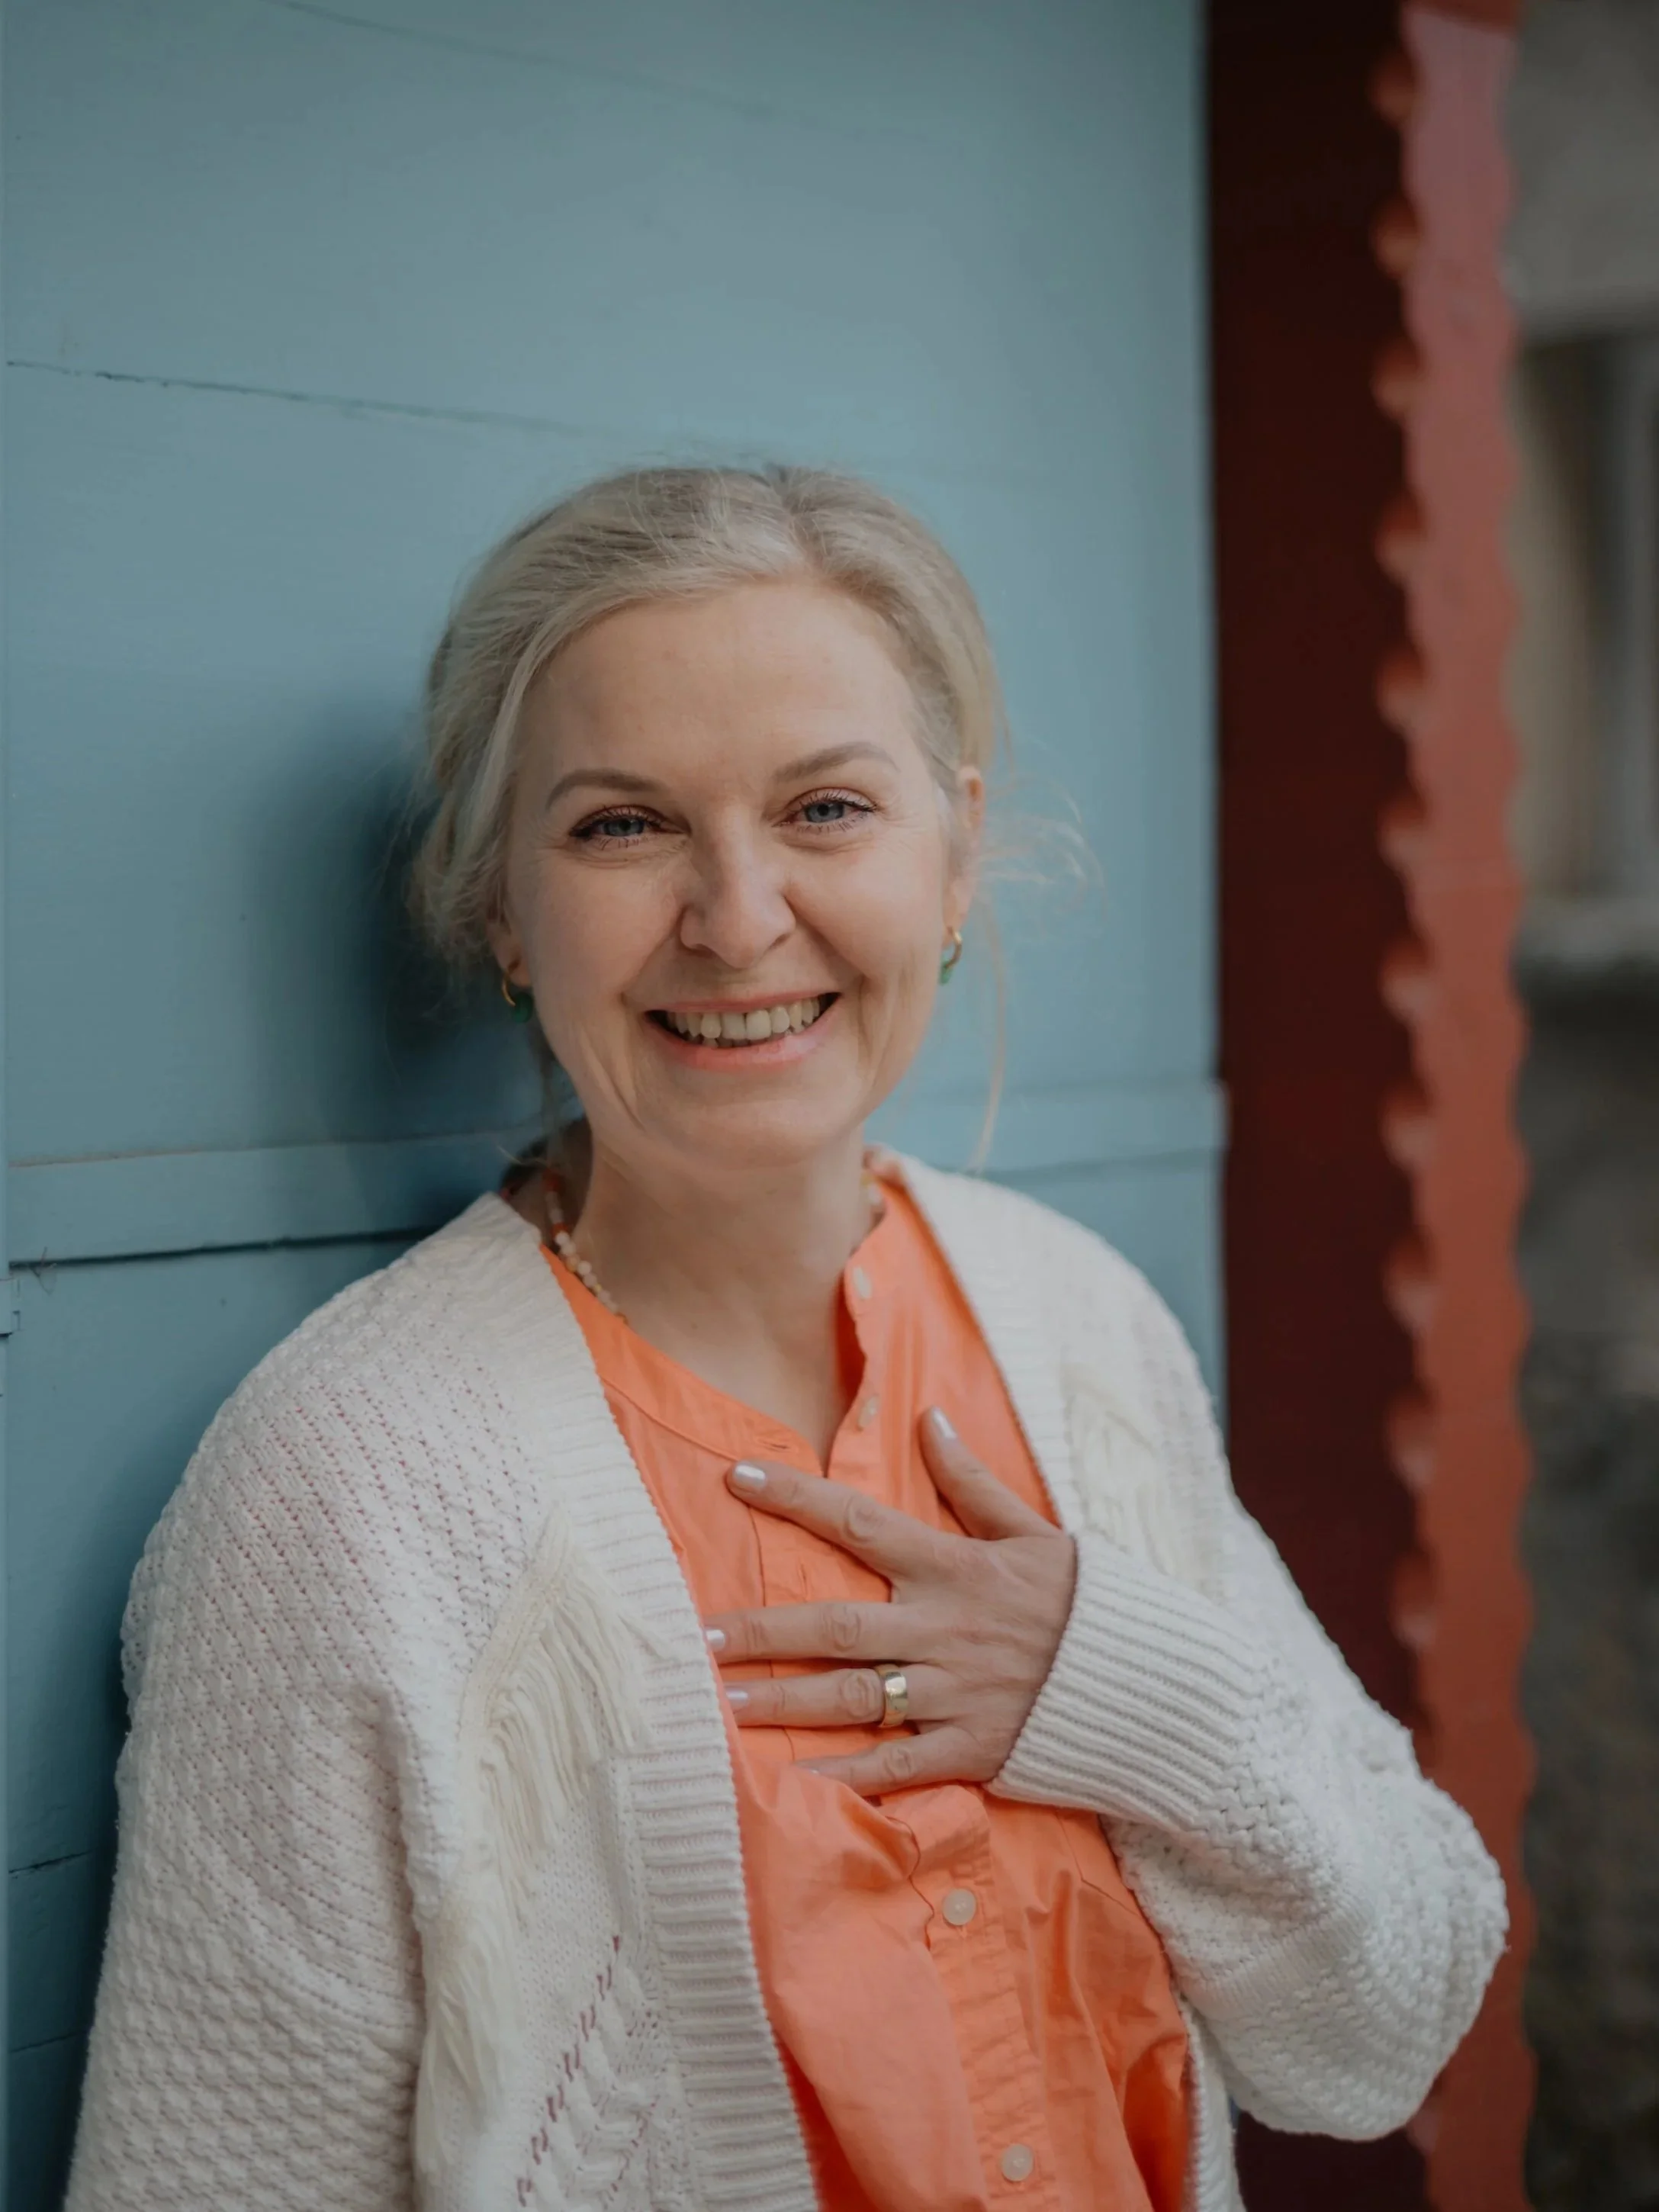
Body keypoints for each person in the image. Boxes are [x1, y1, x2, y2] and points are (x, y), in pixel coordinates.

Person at [66, 467, 1505, 2212]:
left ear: (955, 852)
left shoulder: (1074, 1321)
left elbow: (1391, 2022)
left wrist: (1117, 1692)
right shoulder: (347, 1485)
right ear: (504, 909)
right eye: (620, 825)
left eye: (826, 808)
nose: (738, 917)